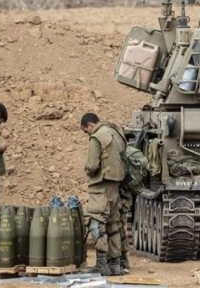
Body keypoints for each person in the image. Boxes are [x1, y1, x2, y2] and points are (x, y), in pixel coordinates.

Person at [81, 112, 126, 276]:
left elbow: (92, 166)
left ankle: (101, 264)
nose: (87, 134)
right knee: (113, 225)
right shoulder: (115, 132)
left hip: (100, 187)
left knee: (96, 224)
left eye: (86, 130)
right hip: (115, 186)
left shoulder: (96, 138)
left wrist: (87, 170)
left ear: (89, 125)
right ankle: (115, 265)